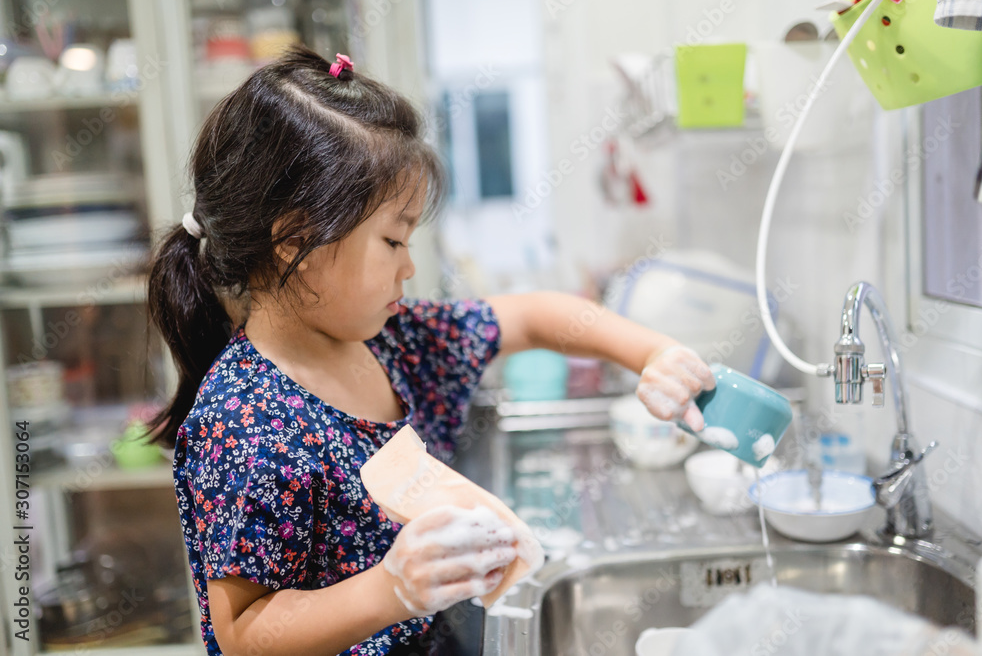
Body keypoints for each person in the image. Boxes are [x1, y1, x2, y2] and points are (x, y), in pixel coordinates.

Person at [147, 46, 715, 656]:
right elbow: (245, 632)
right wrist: (391, 590)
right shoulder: (244, 420)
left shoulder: (396, 343)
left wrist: (653, 353)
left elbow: (532, 317)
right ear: (294, 240)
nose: (409, 265)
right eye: (393, 240)